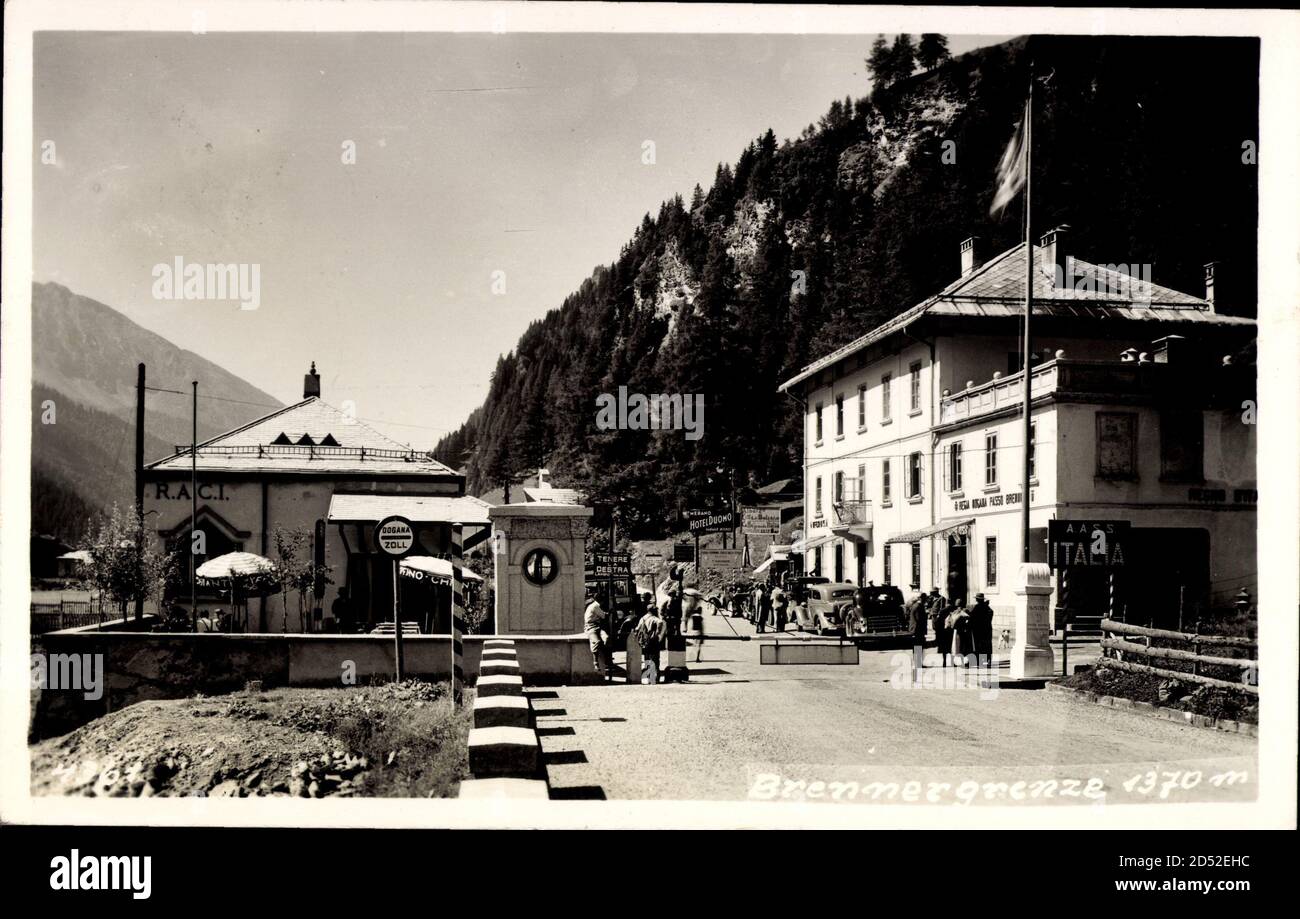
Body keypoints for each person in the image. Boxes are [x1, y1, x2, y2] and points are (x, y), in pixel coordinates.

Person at [634, 603, 668, 684]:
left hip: (645, 641)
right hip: (653, 640)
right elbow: (660, 622)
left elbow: (637, 628)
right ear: (653, 610)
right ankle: (656, 678)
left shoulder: (642, 618)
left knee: (647, 659)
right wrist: (657, 632)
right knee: (655, 659)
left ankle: (650, 678)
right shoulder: (654, 618)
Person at [583, 587, 612, 681]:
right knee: (596, 641)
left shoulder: (595, 605)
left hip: (597, 626)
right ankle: (596, 662)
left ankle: (607, 658)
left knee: (607, 638)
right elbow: (603, 616)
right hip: (591, 627)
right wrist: (609, 613)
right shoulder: (595, 606)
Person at [969, 593, 995, 667]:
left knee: (979, 646)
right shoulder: (988, 608)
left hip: (978, 630)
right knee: (987, 646)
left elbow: (972, 617)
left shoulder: (977, 608)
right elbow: (990, 615)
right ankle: (988, 661)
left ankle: (980, 662)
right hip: (987, 630)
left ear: (977, 600)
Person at [905, 586, 928, 669]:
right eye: (925, 598)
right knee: (918, 646)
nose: (926, 600)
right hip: (917, 630)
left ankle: (918, 663)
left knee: (917, 647)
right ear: (922, 598)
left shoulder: (915, 605)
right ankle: (918, 664)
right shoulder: (918, 606)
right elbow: (919, 619)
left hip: (915, 630)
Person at [927, 588, 949, 666]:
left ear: (936, 592)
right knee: (934, 628)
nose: (931, 594)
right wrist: (930, 613)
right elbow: (931, 607)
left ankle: (939, 640)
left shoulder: (941, 598)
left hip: (938, 616)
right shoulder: (933, 599)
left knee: (938, 628)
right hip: (934, 616)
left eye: (932, 592)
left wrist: (940, 615)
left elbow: (941, 608)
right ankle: (937, 639)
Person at [947, 599, 973, 666]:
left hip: (956, 632)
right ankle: (965, 663)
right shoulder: (966, 611)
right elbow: (970, 620)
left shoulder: (954, 612)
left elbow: (949, 621)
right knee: (965, 647)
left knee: (956, 647)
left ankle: (954, 663)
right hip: (965, 631)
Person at [683, 587, 706, 662]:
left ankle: (696, 657)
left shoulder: (693, 612)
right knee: (698, 645)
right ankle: (697, 658)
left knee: (696, 644)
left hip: (694, 631)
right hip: (698, 632)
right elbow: (702, 626)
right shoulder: (699, 616)